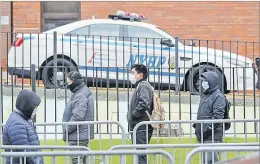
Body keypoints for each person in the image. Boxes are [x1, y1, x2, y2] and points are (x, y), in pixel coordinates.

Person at [2, 89, 44, 164]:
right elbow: (25, 153)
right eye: (34, 107)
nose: (36, 109)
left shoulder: (23, 120)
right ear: (27, 106)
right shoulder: (17, 124)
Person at [193, 71, 226, 164]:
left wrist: (205, 130)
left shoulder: (218, 96)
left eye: (205, 81)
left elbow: (217, 117)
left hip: (212, 136)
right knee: (206, 161)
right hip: (205, 135)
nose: (203, 84)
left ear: (211, 82)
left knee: (210, 161)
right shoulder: (206, 95)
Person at [62, 71, 94, 164]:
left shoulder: (80, 94)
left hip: (77, 136)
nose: (68, 85)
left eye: (68, 83)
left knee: (77, 161)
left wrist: (67, 129)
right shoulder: (83, 91)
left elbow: (78, 116)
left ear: (74, 81)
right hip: (81, 134)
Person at [127, 64, 154, 164]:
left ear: (141, 74)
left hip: (141, 127)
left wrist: (133, 115)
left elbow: (144, 103)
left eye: (133, 73)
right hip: (139, 126)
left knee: (141, 156)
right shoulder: (141, 85)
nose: (131, 75)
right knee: (139, 155)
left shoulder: (143, 85)